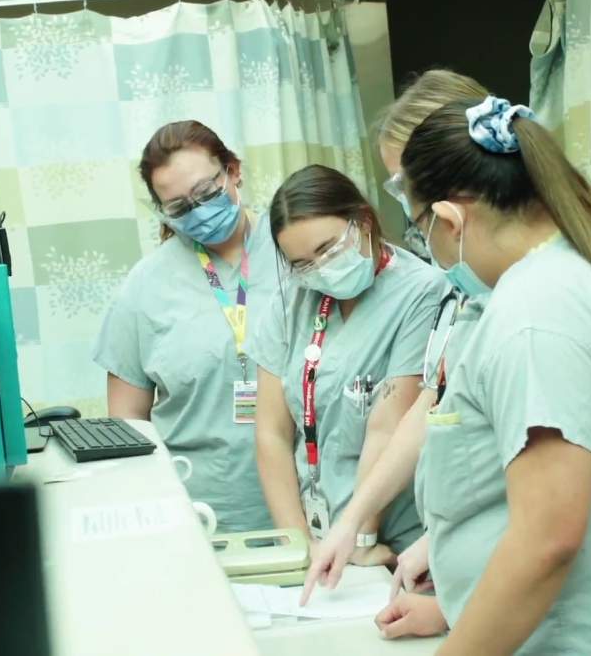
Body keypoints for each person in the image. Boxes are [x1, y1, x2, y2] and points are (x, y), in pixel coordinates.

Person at [372, 96, 591, 654]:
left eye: (421, 230)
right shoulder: (567, 277)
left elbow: (547, 539)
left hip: (583, 638)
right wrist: (452, 607)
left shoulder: (537, 311)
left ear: (452, 218)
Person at [301, 69, 490, 603]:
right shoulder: (471, 293)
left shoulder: (539, 304)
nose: (405, 206)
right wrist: (354, 521)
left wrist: (453, 618)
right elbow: (432, 405)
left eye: (406, 186)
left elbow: (549, 509)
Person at [246, 164, 450, 563]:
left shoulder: (423, 292)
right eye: (302, 263)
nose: (320, 269)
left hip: (390, 541)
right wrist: (299, 546)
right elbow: (271, 433)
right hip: (319, 537)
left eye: (328, 249)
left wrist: (360, 539)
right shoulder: (292, 300)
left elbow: (388, 426)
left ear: (363, 222)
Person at [93, 120, 279, 534]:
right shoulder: (145, 287)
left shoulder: (293, 247)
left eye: (206, 193)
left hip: (309, 508)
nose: (199, 212)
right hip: (199, 516)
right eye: (178, 207)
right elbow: (128, 423)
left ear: (234, 170)